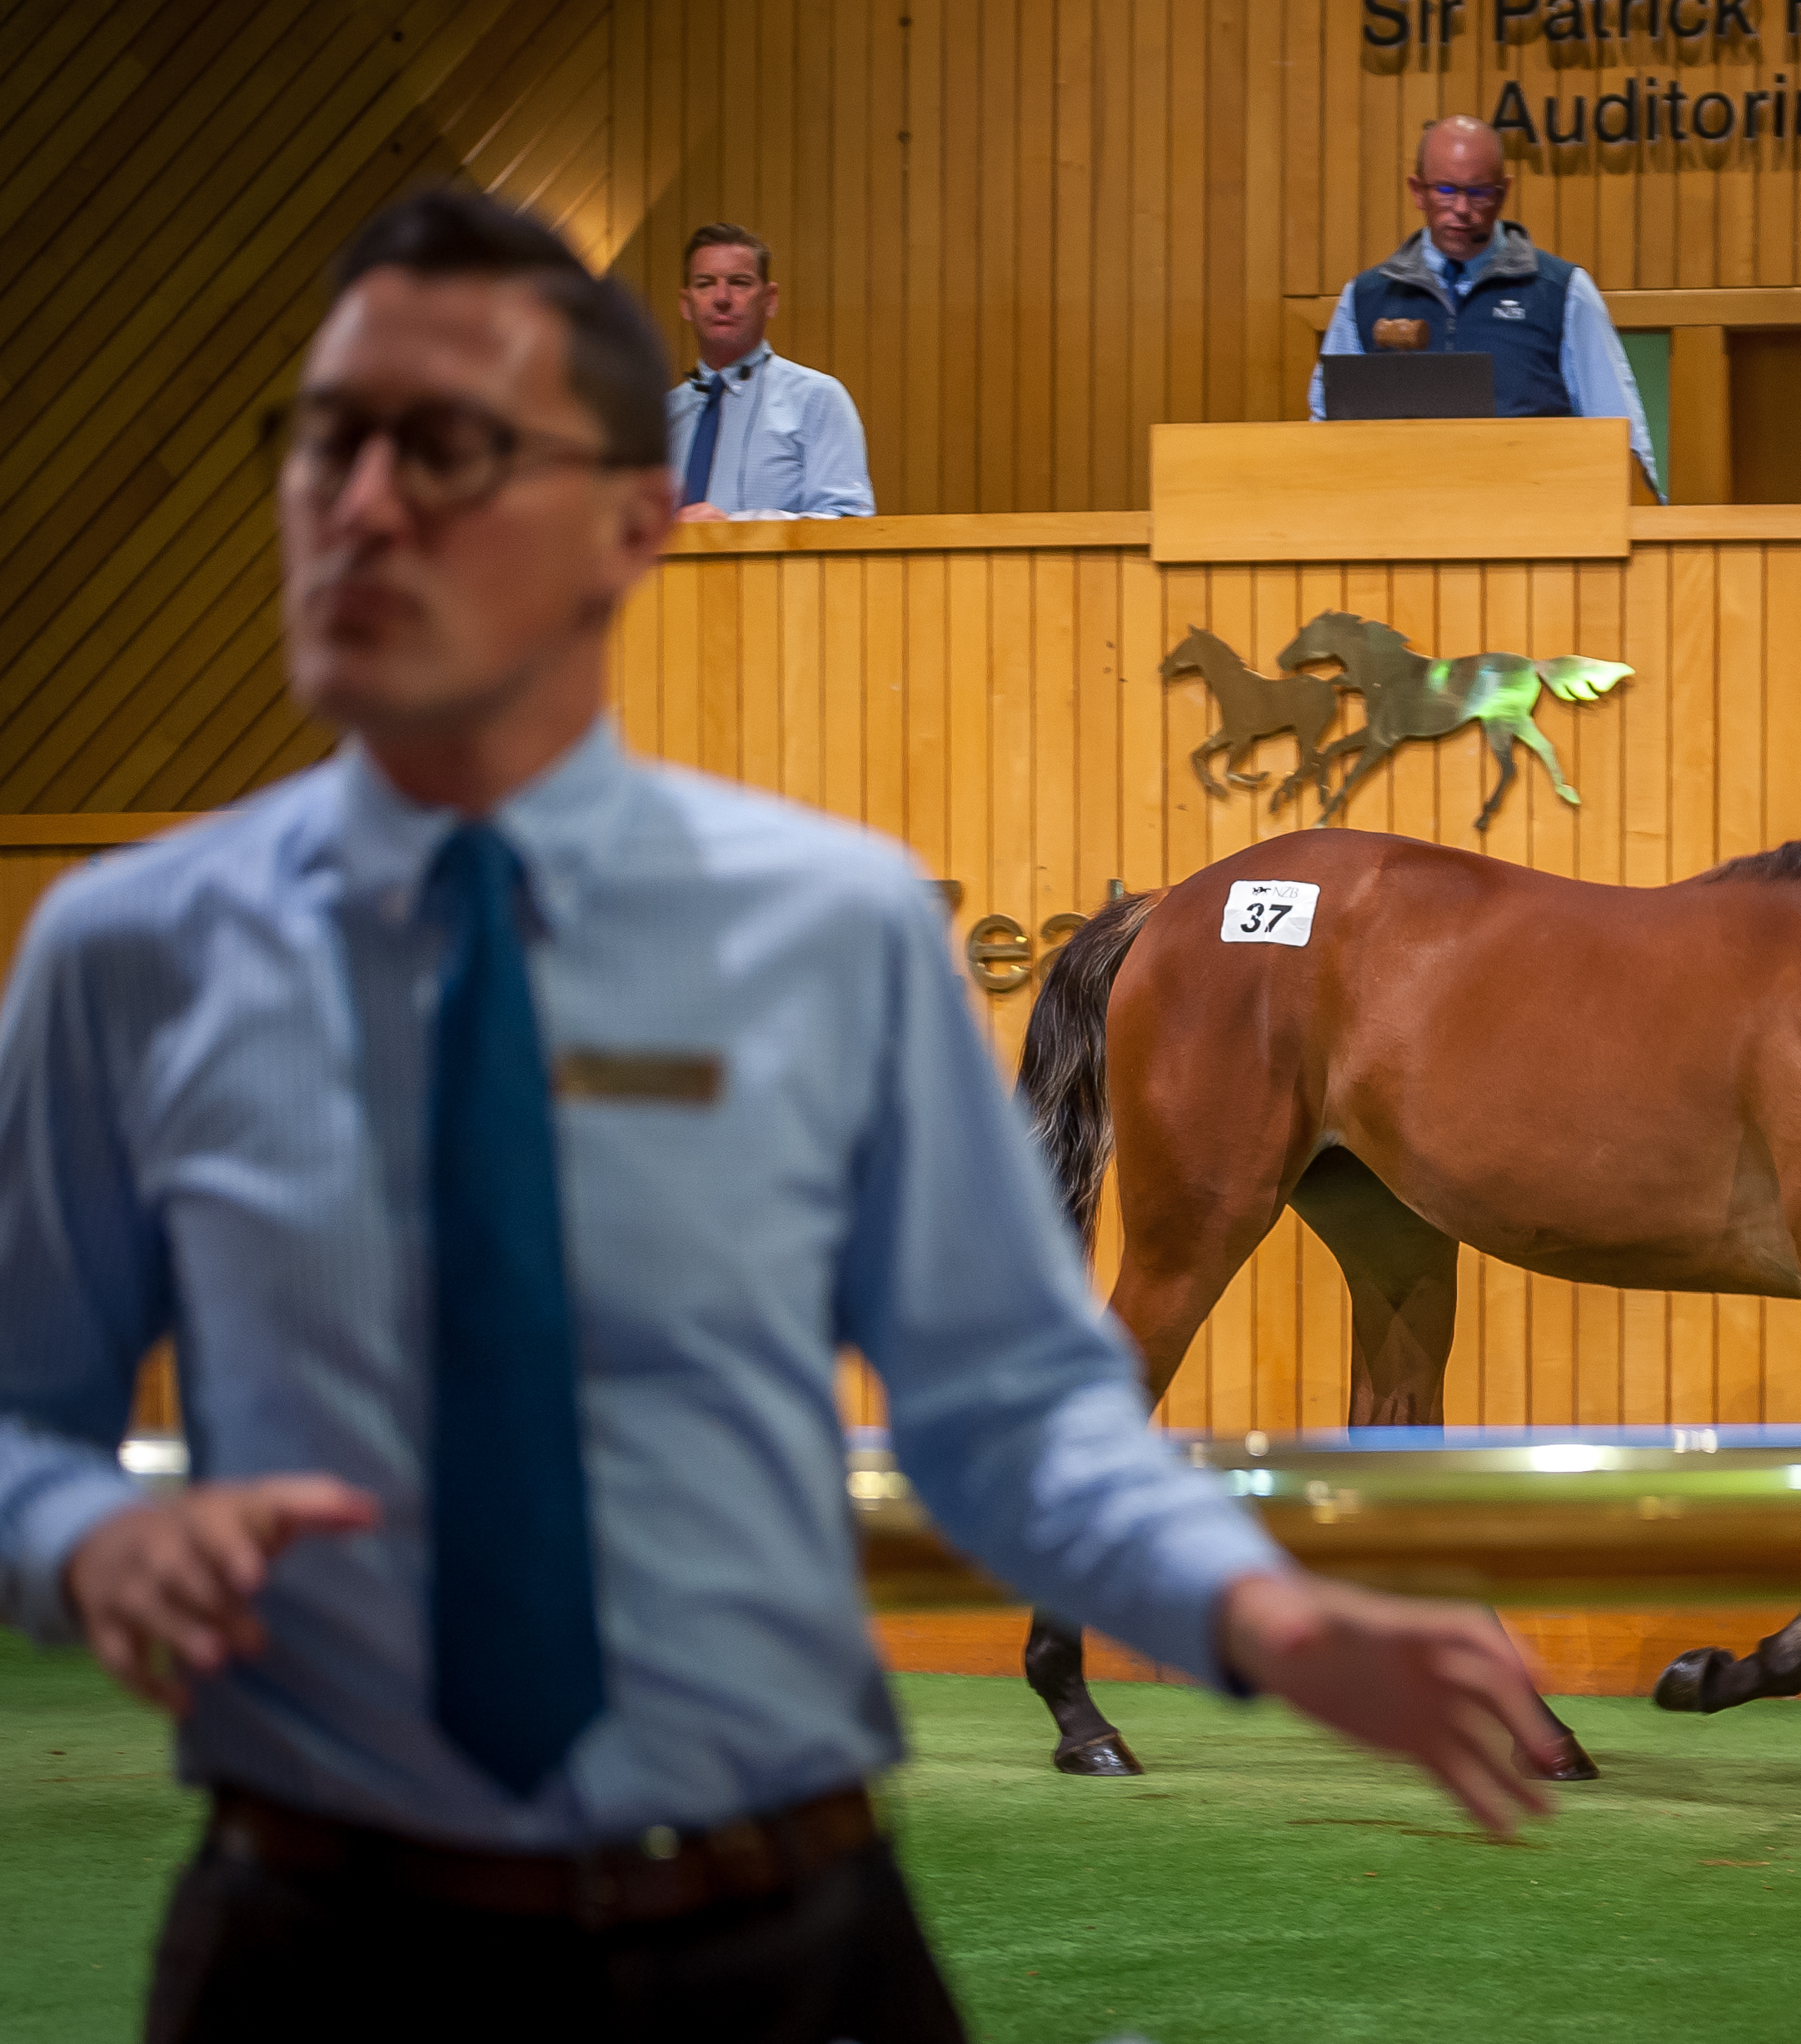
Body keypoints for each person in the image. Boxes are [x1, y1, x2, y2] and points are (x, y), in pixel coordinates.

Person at [0, 187, 1560, 2043]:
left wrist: (1270, 1618)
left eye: (448, 452)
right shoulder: (123, 953)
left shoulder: (834, 935)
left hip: (782, 1937)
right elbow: (23, 1428)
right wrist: (80, 1537)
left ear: (627, 526)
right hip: (310, 1948)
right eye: (322, 439)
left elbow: (1007, 1414)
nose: (356, 504)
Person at [1309, 115, 1662, 499]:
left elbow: (1618, 427)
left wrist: (1643, 514)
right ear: (1417, 191)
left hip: (1533, 520)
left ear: (1504, 192)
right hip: (1399, 518)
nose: (1462, 209)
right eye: (1446, 190)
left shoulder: (1561, 290)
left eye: (1479, 193)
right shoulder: (1365, 297)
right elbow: (1325, 429)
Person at [666, 222, 874, 520]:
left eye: (739, 282)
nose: (722, 298)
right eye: (705, 284)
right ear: (686, 305)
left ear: (770, 301)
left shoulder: (816, 399)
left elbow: (849, 521)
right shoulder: (660, 417)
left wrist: (732, 530)